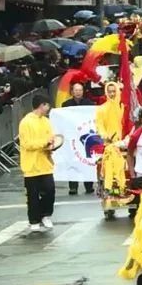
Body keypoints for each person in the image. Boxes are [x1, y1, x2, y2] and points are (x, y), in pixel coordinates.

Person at [18, 94, 56, 233]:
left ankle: (45, 214)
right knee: (33, 195)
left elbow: (51, 137)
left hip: (45, 164)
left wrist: (51, 144)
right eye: (47, 105)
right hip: (31, 165)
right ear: (42, 105)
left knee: (50, 191)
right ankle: (34, 219)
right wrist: (44, 143)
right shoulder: (26, 122)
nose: (48, 108)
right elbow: (27, 144)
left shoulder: (46, 121)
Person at [62, 82, 95, 195]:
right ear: (72, 91)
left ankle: (89, 185)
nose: (78, 92)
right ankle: (73, 186)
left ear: (83, 91)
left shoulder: (89, 104)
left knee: (86, 159)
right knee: (72, 161)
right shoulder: (66, 105)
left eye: (80, 90)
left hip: (85, 136)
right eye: (76, 90)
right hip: (71, 137)